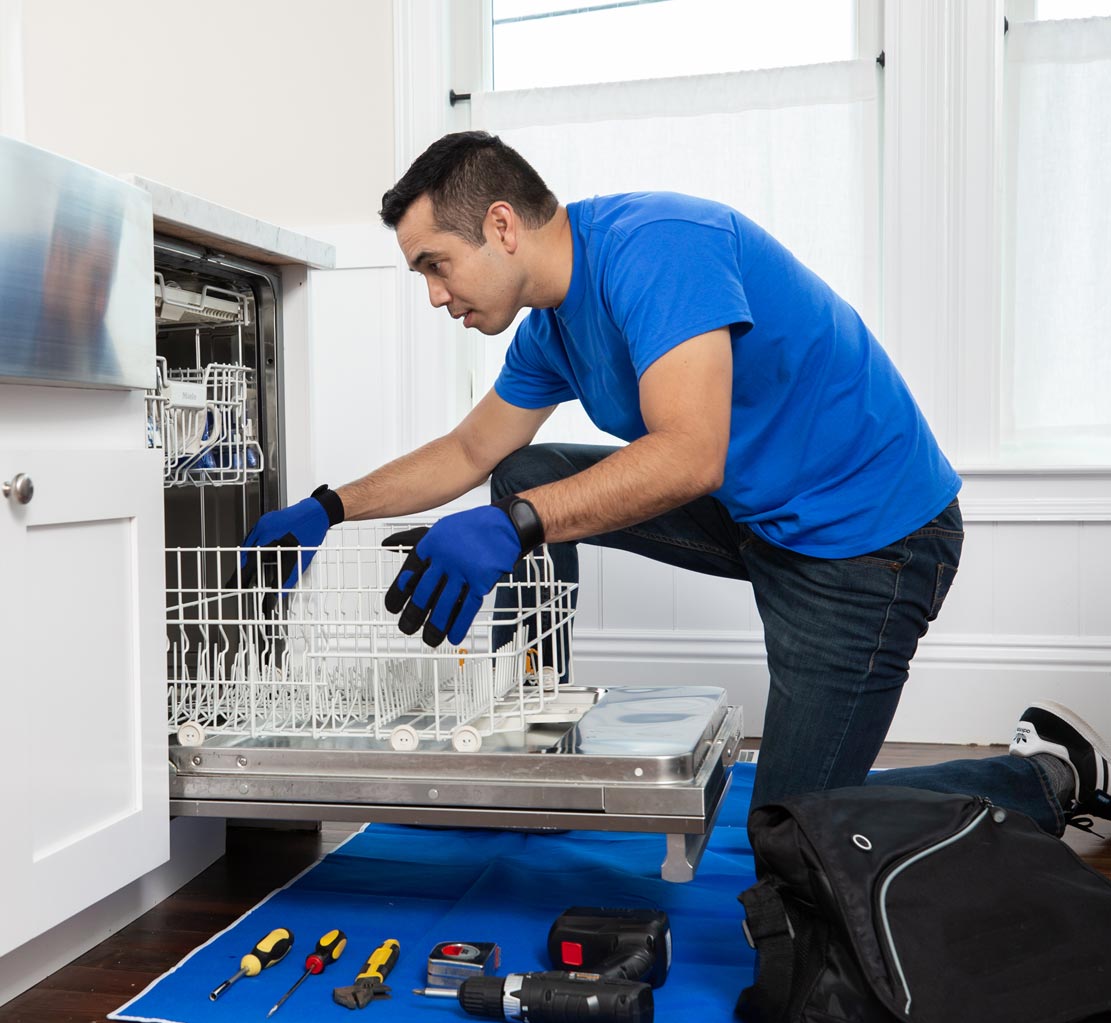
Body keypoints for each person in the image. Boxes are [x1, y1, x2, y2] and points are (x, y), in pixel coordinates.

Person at [242, 131, 1110, 836]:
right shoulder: (550, 329)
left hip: (869, 545)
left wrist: (514, 528)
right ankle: (538, 725)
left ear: (501, 226)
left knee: (790, 838)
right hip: (759, 517)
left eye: (434, 264)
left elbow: (691, 454)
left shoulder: (657, 248)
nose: (434, 295)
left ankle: (1047, 772)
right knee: (524, 467)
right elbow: (472, 447)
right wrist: (329, 508)